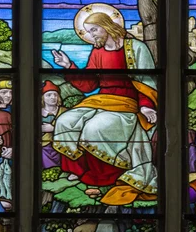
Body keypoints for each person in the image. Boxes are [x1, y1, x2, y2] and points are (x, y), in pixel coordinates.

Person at [51, 10, 157, 205]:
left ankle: (104, 177)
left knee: (95, 127)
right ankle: (81, 171)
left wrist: (147, 107)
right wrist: (69, 66)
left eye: (94, 30)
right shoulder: (97, 52)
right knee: (66, 121)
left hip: (126, 101)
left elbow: (147, 81)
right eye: (89, 32)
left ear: (106, 25)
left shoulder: (135, 47)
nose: (92, 36)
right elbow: (90, 85)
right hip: (100, 99)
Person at [42, 80, 66, 168]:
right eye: (49, 95)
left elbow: (72, 128)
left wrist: (54, 128)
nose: (53, 97)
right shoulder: (37, 113)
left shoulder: (64, 112)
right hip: (44, 147)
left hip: (62, 145)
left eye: (55, 95)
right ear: (42, 98)